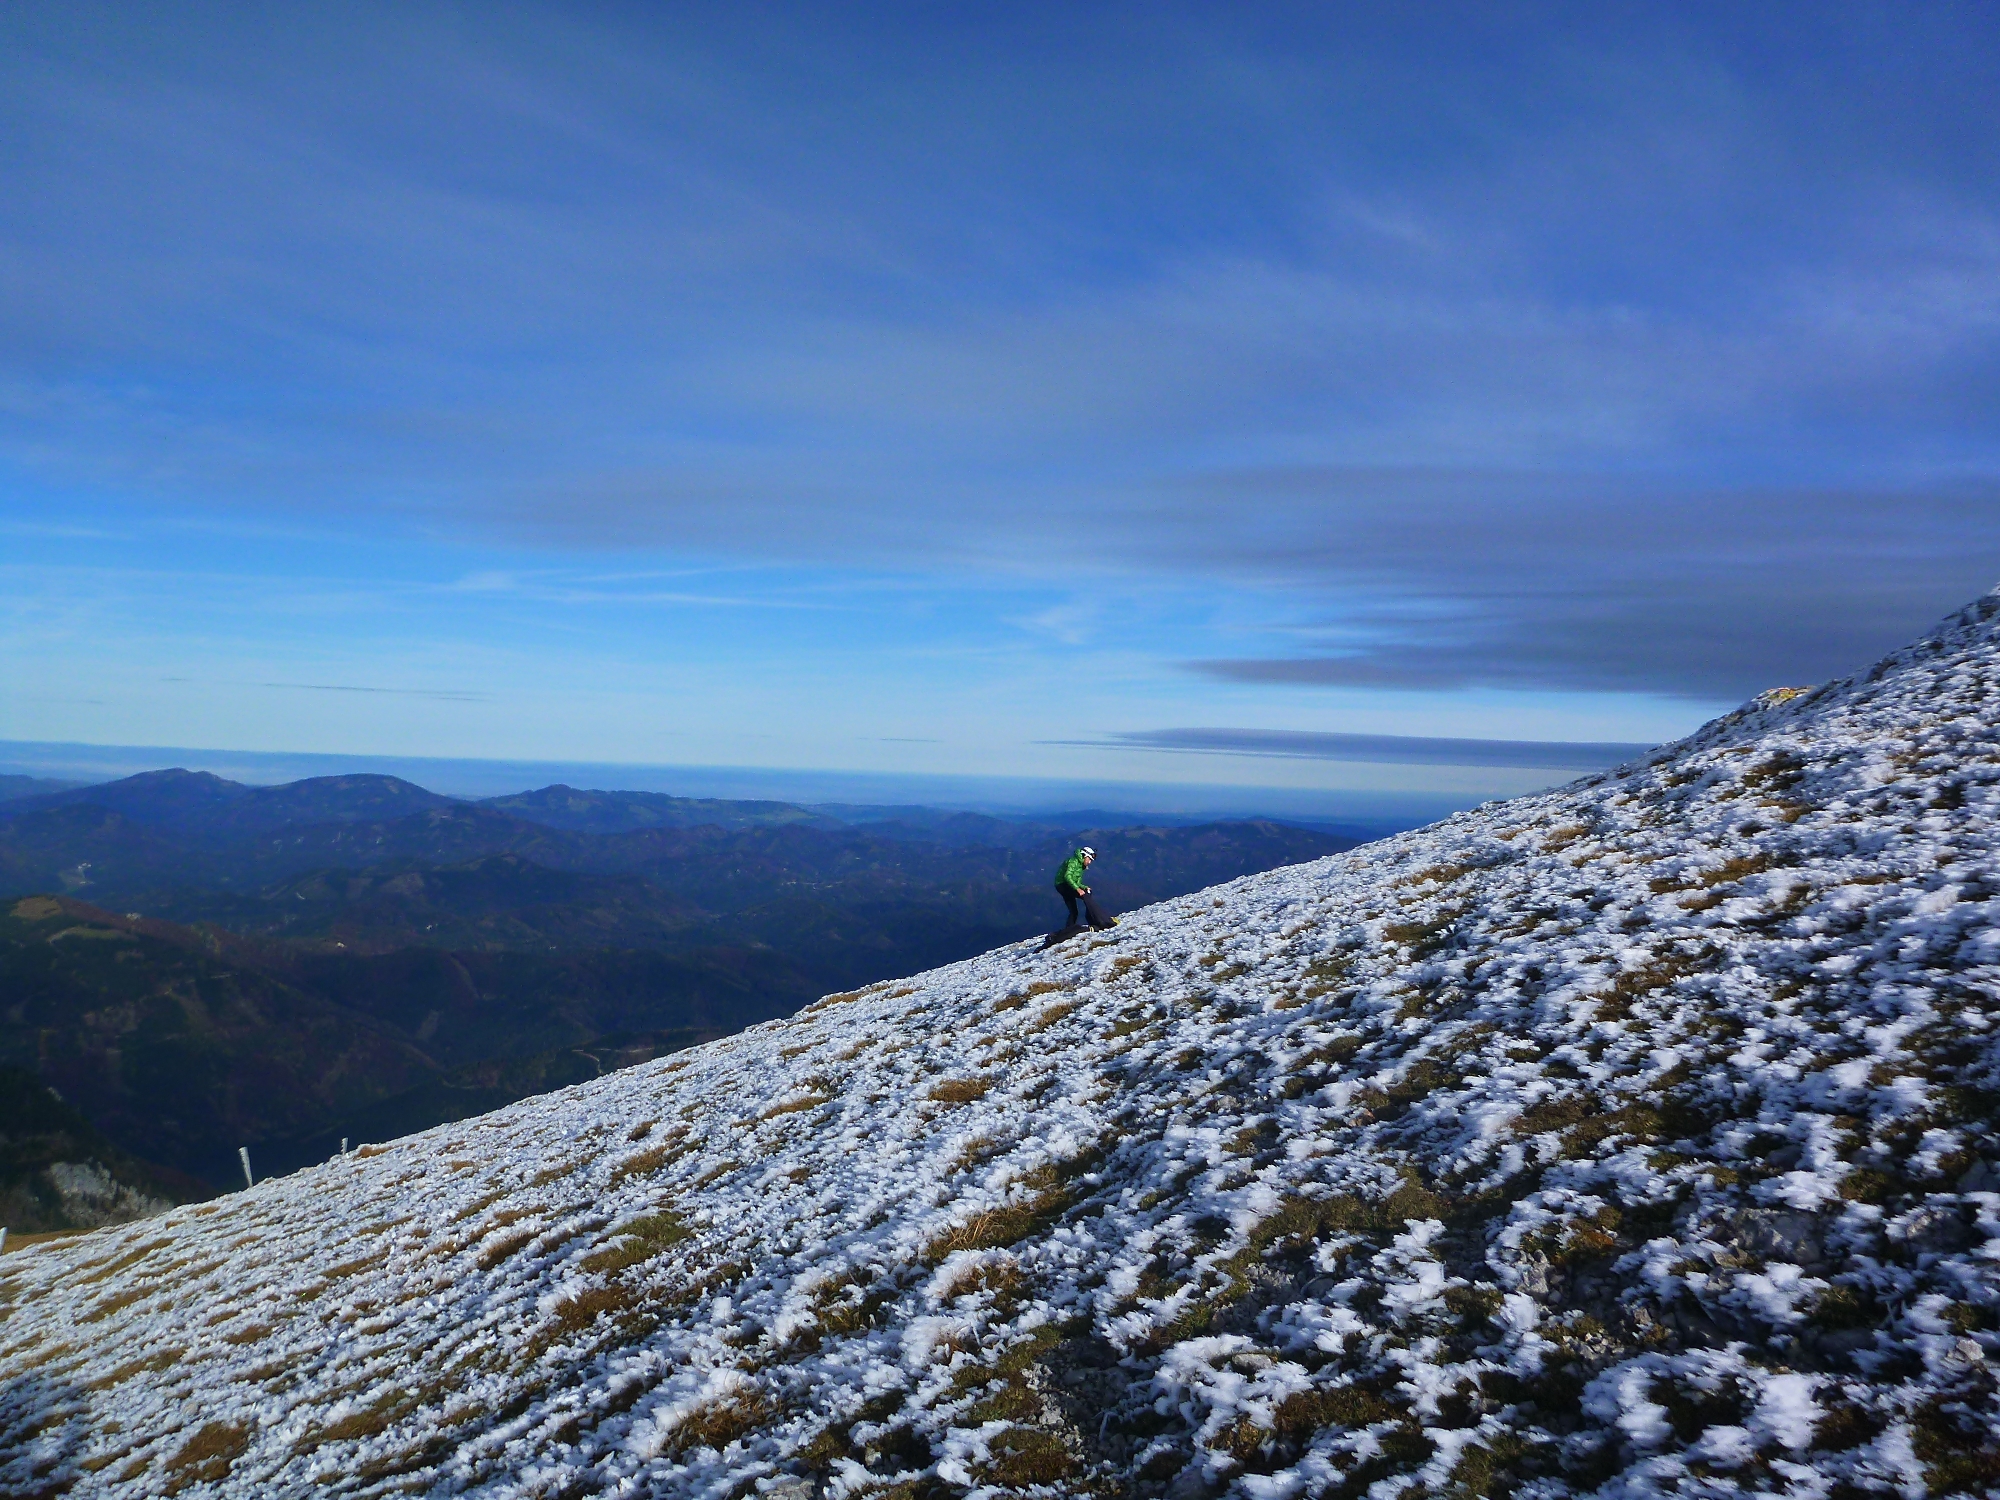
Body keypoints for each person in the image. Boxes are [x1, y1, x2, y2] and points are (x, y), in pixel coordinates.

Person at [1054, 845, 1116, 930]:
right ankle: (1099, 920)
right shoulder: (1073, 861)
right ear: (1084, 856)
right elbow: (1067, 876)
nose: (1090, 862)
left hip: (1064, 885)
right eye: (1089, 859)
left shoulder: (1081, 866)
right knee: (1086, 896)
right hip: (1062, 885)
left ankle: (1068, 930)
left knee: (1074, 911)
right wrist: (1078, 889)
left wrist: (1084, 887)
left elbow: (1077, 882)